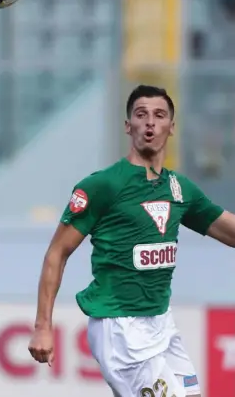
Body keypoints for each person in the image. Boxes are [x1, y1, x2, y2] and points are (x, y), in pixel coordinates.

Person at [27, 85, 235, 397]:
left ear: (171, 127)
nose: (150, 122)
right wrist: (43, 326)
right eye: (141, 115)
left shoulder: (180, 189)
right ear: (129, 126)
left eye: (159, 115)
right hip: (120, 329)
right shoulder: (102, 185)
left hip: (161, 323)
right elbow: (57, 252)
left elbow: (228, 230)